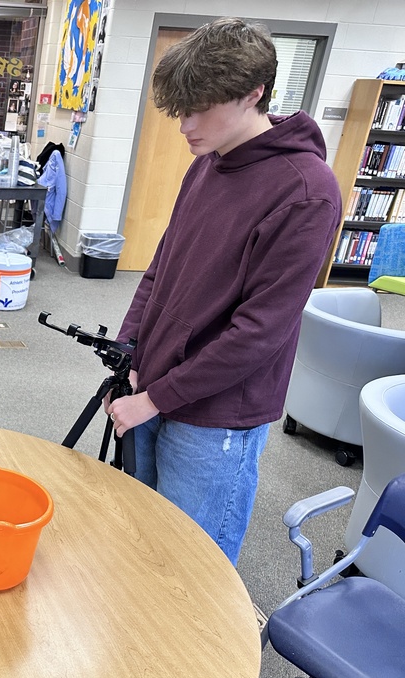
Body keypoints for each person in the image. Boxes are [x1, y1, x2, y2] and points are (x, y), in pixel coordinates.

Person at [105, 18, 342, 565]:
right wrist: (131, 351)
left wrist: (156, 398)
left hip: (216, 415)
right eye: (179, 110)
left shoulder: (307, 191)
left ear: (253, 92)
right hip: (154, 383)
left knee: (191, 563)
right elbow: (161, 269)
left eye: (199, 109)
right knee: (142, 535)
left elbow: (258, 334)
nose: (184, 125)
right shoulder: (207, 164)